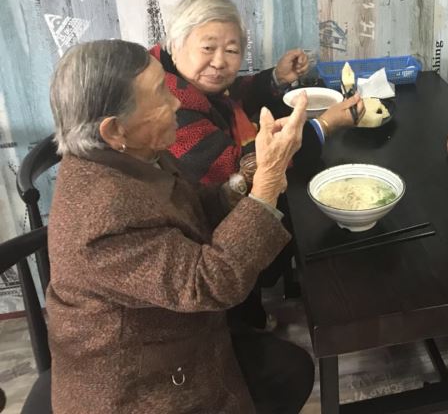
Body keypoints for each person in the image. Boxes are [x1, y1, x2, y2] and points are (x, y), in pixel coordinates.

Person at [46, 39, 314, 414]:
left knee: (292, 369)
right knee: (290, 372)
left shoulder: (134, 155)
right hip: (140, 388)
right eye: (160, 94)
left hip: (180, 333)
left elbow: (188, 208)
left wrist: (247, 178)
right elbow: (211, 282)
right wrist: (269, 182)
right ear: (114, 130)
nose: (176, 102)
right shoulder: (102, 220)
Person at [152, 0, 363, 187]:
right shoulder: (167, 105)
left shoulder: (190, 80)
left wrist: (277, 77)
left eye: (231, 50)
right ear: (175, 46)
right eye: (208, 48)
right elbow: (237, 169)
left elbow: (231, 94)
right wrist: (324, 125)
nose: (219, 62)